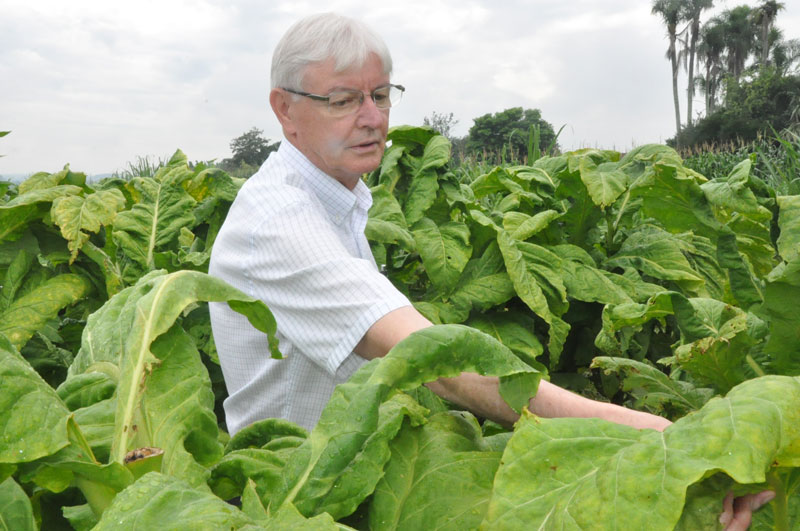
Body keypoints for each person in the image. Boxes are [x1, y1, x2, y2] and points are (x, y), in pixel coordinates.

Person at [208, 12, 771, 529]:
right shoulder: (282, 222)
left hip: (352, 474)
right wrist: (644, 432)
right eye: (343, 100)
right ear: (285, 109)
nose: (373, 118)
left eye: (380, 95)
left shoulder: (336, 197)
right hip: (297, 499)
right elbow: (438, 364)